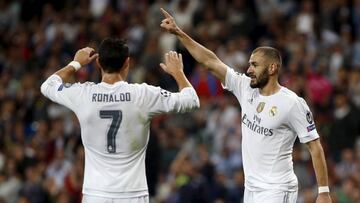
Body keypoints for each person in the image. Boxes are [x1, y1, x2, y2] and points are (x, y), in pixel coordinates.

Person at [160, 8, 332, 203]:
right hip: (251, 189)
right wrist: (179, 33)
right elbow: (210, 61)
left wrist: (324, 192)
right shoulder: (245, 88)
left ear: (272, 68)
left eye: (255, 65)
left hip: (277, 189)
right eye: (250, 64)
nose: (249, 69)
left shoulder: (292, 103)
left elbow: (315, 147)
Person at [40, 38, 200, 203]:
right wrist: (178, 72)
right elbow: (191, 101)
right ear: (127, 63)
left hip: (96, 195)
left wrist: (76, 63)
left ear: (99, 63)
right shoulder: (143, 95)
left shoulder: (83, 94)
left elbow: (48, 86)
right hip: (133, 194)